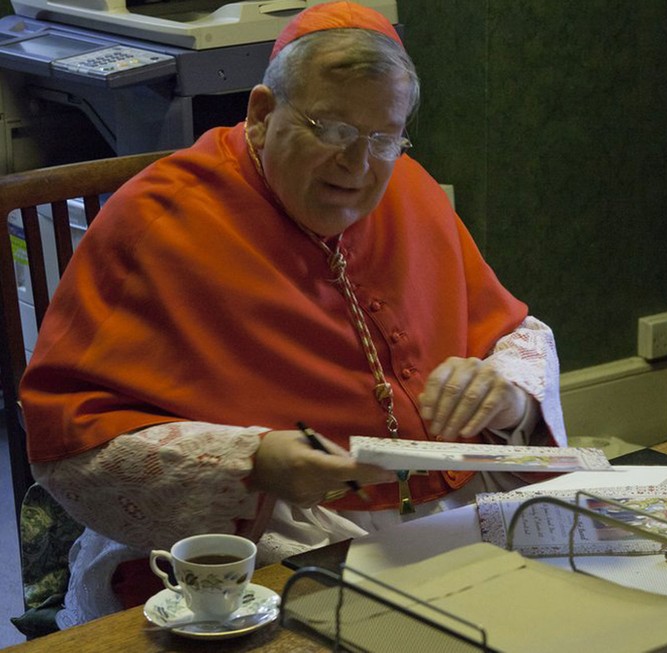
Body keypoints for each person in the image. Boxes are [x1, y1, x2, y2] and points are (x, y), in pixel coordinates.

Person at [19, 0, 566, 628]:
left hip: (454, 513)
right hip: (273, 535)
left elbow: (510, 330)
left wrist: (508, 392)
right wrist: (252, 462)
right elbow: (71, 444)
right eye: (331, 129)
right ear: (261, 114)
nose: (358, 166)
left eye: (383, 137)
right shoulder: (158, 221)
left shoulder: (408, 185)